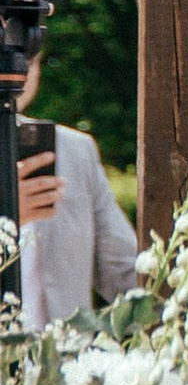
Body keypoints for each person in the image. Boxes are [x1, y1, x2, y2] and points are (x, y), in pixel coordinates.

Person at [7, 56, 138, 329]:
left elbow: (126, 272)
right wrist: (7, 215)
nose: (18, 65)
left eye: (29, 57)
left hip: (63, 365)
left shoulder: (74, 151)